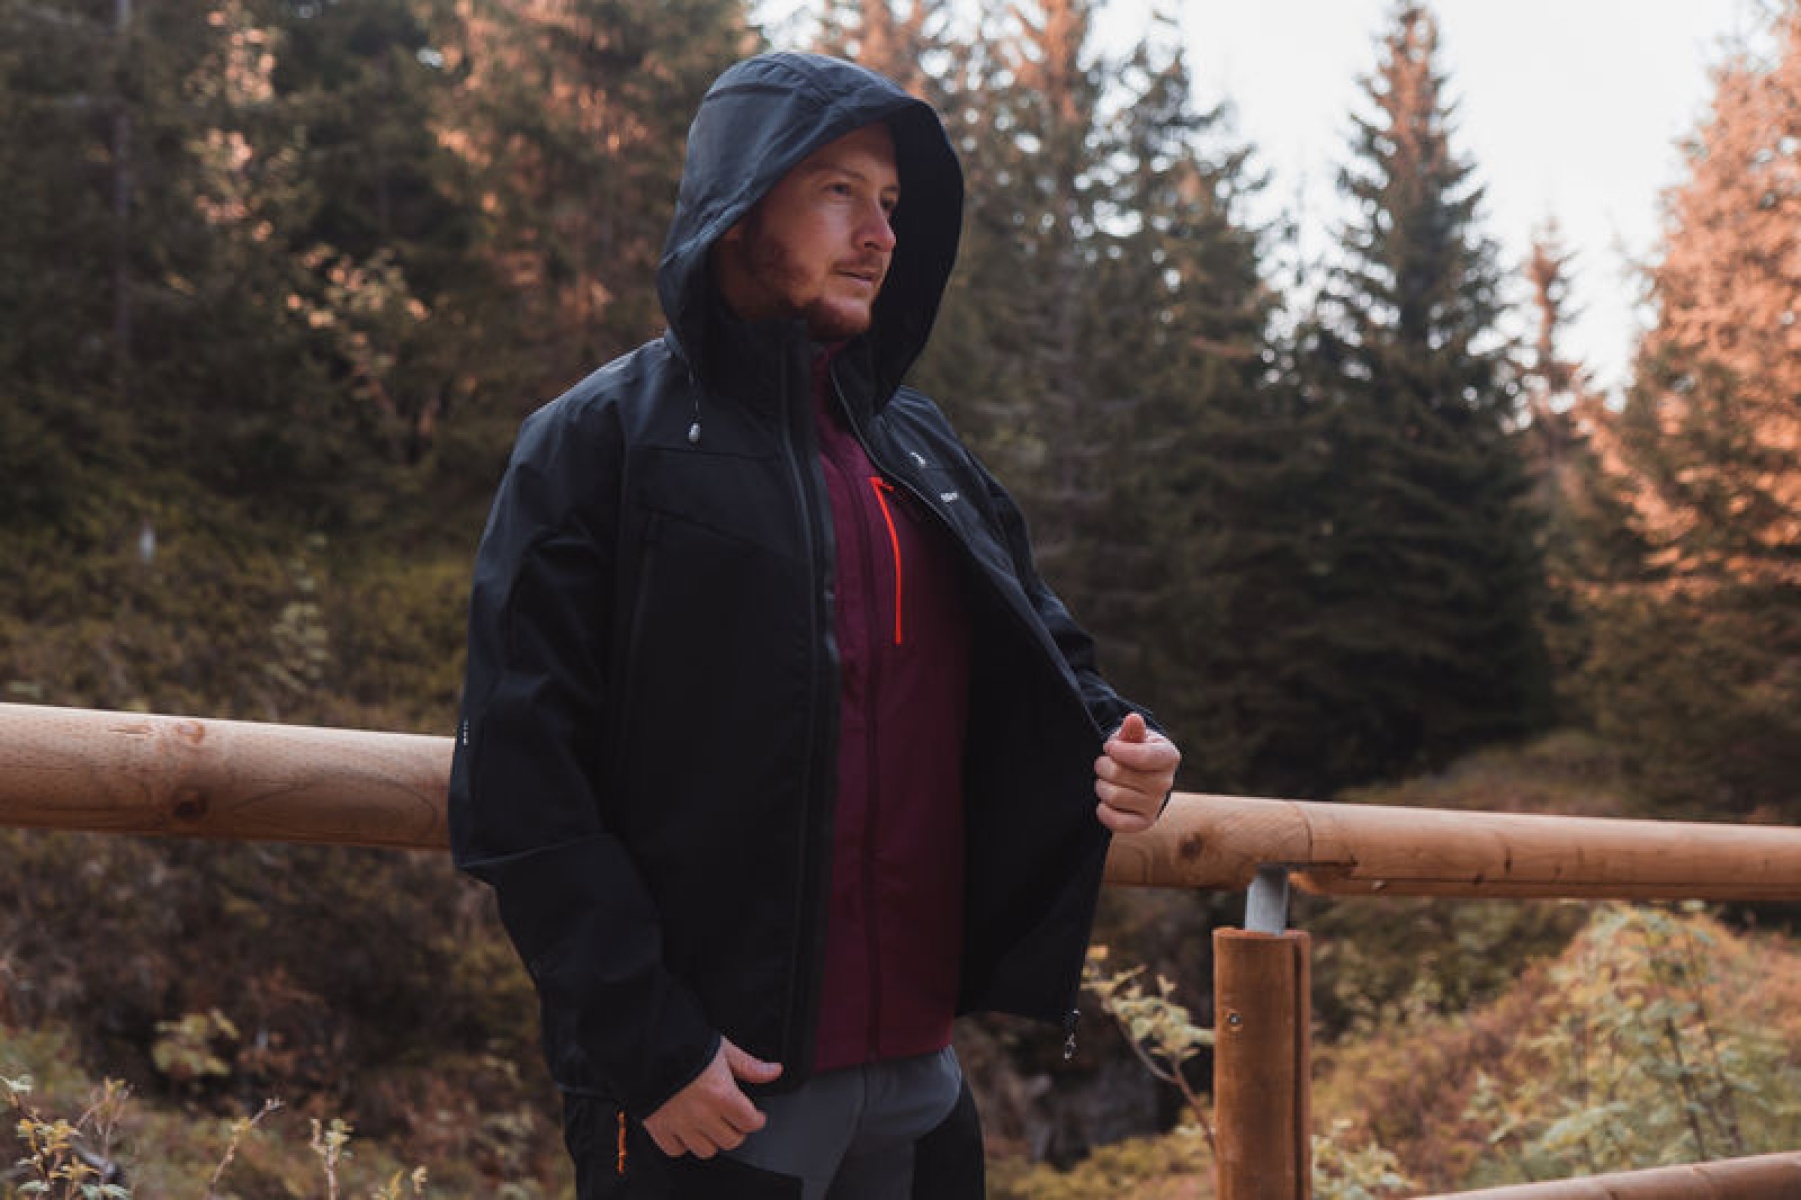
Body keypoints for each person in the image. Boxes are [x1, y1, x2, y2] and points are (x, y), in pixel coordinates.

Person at [448, 51, 1180, 1200]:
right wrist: (651, 1043)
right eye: (838, 191)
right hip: (715, 1092)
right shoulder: (599, 443)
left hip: (921, 1081)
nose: (880, 234)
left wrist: (1124, 747)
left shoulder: (919, 446)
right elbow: (517, 776)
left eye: (889, 202)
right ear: (739, 207)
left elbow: (1048, 660)